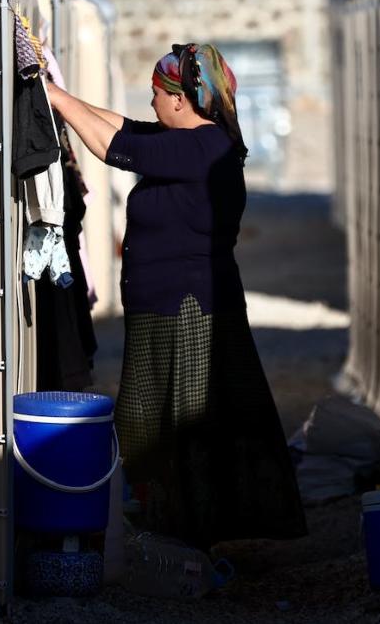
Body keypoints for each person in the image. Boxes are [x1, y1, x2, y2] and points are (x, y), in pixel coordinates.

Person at [45, 43, 307, 550]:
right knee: (159, 424)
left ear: (182, 99)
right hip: (171, 304)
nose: (151, 105)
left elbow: (111, 147)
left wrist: (54, 97)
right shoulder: (191, 141)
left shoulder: (202, 149)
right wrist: (61, 94)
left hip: (188, 309)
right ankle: (178, 531)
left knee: (180, 428)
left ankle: (189, 537)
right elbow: (121, 128)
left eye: (156, 95)